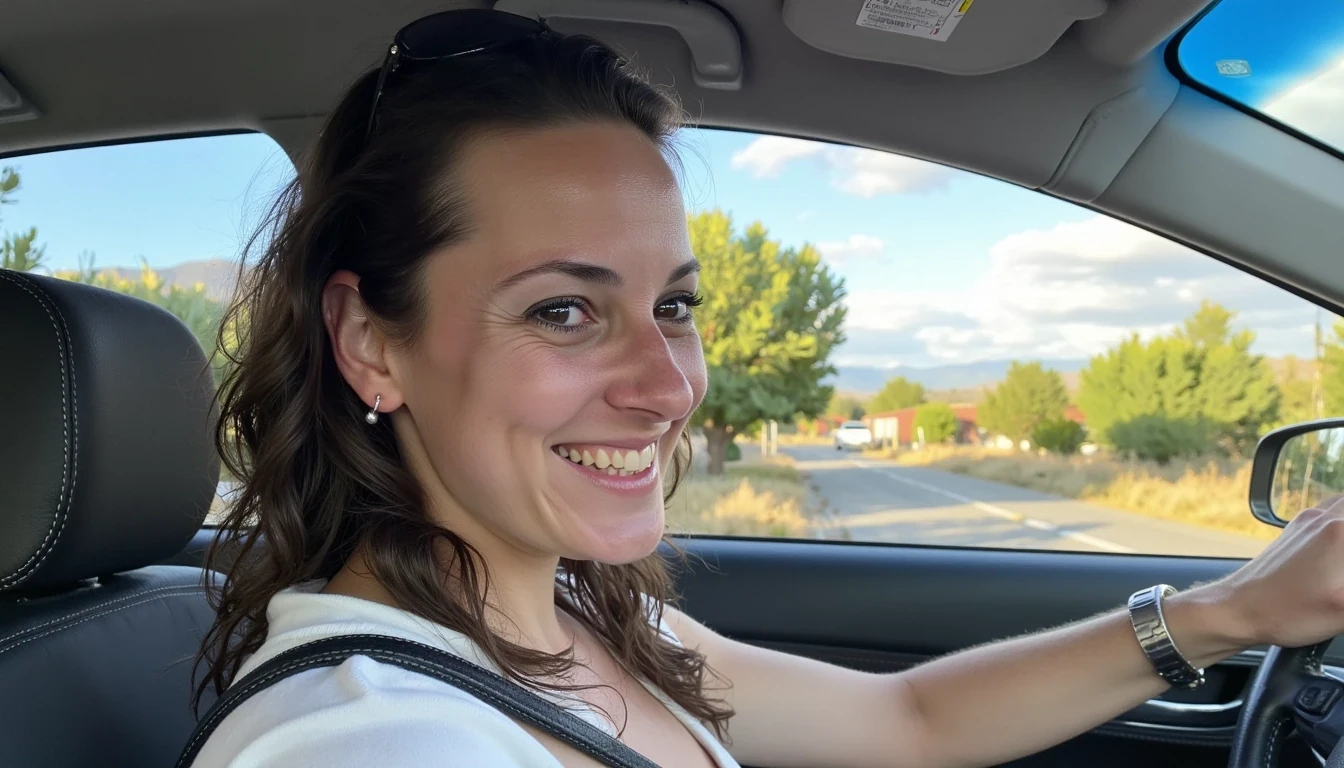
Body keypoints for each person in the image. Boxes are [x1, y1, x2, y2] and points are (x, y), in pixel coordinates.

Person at [191, 8, 1344, 768]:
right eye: (562, 310)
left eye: (674, 306)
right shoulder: (370, 738)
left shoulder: (588, 613)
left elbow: (912, 722)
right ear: (372, 342)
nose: (666, 385)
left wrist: (1229, 612)